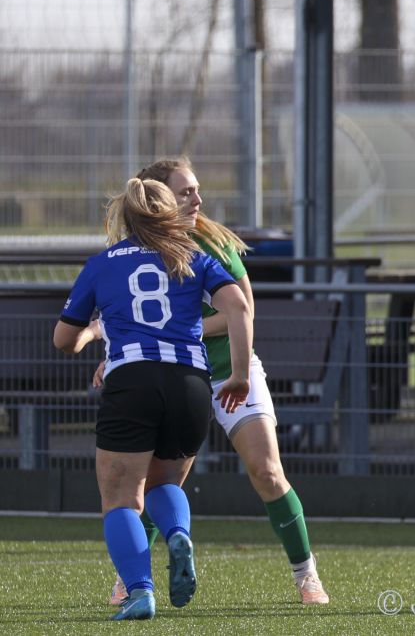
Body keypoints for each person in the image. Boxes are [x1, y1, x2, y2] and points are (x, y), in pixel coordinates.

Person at [100, 157, 329, 606]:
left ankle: (307, 575)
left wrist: (177, 329)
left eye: (197, 189)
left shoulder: (211, 243)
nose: (197, 200)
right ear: (158, 199)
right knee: (159, 485)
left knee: (267, 472)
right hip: (177, 379)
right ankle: (133, 577)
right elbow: (126, 319)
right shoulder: (136, 250)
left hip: (230, 373)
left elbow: (242, 311)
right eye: (185, 192)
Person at [54, 178, 253, 620]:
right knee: (164, 484)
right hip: (191, 383)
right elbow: (239, 307)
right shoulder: (194, 257)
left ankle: (140, 592)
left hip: (133, 381)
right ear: (168, 213)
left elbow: (63, 338)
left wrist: (91, 330)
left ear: (124, 218)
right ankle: (178, 533)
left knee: (121, 498)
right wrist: (239, 376)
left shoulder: (102, 264)